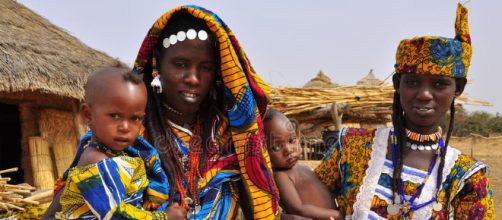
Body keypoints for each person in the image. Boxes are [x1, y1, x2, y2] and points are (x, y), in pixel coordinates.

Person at [44, 5, 279, 220]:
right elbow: (68, 205)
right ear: (157, 63)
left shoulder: (232, 134)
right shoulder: (122, 135)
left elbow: (256, 197)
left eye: (206, 68)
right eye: (180, 64)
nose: (193, 79)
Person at [314, 3, 495, 219]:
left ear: (458, 89)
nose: (425, 94)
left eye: (439, 84)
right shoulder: (352, 148)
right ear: (397, 84)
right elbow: (305, 201)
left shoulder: (467, 177)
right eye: (412, 82)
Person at [56, 67, 186, 219]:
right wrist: (164, 217)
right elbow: (115, 214)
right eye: (115, 116)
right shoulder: (95, 160)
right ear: (88, 115)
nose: (125, 127)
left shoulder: (121, 154)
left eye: (135, 118)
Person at [264, 109, 342, 220]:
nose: (288, 150)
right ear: (264, 153)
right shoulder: (281, 176)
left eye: (291, 140)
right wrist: (338, 215)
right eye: (276, 147)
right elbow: (298, 208)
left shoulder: (304, 168)